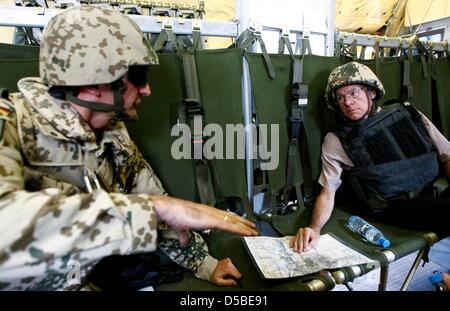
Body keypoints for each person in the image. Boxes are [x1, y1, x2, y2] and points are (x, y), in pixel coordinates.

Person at [0, 6, 257, 290]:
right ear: (95, 82)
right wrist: (151, 209)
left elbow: (154, 202)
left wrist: (205, 264)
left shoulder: (112, 133)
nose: (147, 90)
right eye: (137, 77)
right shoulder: (9, 125)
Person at [291, 61, 450, 252]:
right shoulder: (337, 140)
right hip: (403, 208)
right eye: (340, 98)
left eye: (353, 93)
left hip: (441, 190)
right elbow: (328, 192)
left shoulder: (407, 112)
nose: (347, 102)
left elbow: (446, 156)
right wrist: (314, 228)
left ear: (372, 92)